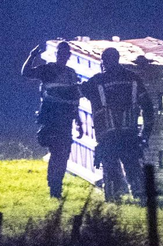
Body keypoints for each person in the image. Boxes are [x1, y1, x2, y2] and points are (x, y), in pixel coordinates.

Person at [81, 46, 154, 202]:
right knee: (133, 165)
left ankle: (114, 199)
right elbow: (148, 106)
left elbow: (77, 92)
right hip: (130, 133)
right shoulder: (133, 79)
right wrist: (145, 134)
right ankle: (140, 197)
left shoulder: (97, 81)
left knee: (110, 168)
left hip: (107, 135)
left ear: (104, 61)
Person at [22, 41, 83, 199]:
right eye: (60, 54)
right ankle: (54, 187)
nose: (63, 57)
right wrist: (32, 56)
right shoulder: (48, 69)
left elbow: (74, 99)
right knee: (58, 152)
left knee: (62, 154)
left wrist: (78, 121)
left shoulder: (71, 74)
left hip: (66, 120)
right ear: (57, 55)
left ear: (69, 56)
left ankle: (56, 185)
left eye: (65, 54)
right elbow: (26, 73)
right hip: (51, 119)